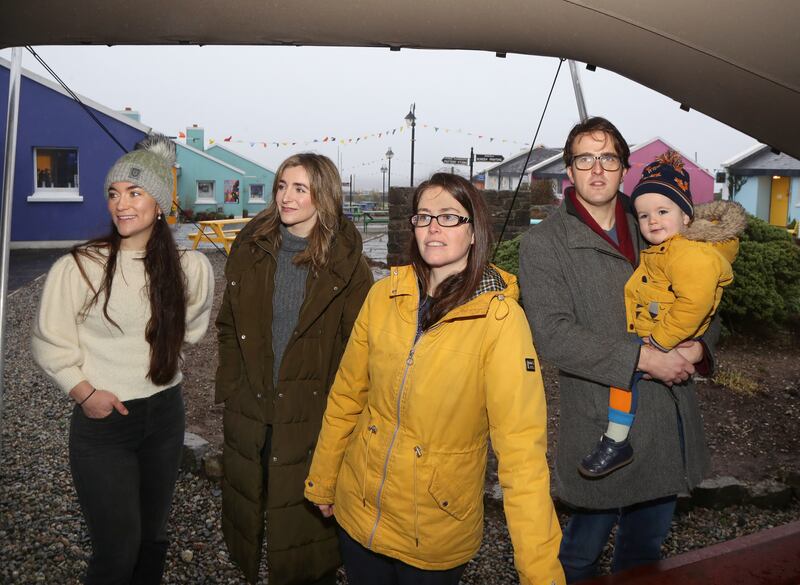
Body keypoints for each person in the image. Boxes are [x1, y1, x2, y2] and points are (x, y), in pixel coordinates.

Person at [304, 173, 565, 585]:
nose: (433, 228)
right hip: (360, 515)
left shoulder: (500, 322)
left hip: (432, 534)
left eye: (448, 217)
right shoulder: (383, 296)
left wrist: (541, 573)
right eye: (423, 217)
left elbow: (521, 455)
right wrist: (322, 480)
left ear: (474, 231)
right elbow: (347, 396)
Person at [518, 117, 718, 583]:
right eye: (584, 159)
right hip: (602, 425)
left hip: (665, 418)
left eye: (607, 157)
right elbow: (552, 333)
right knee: (580, 555)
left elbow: (707, 296)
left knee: (645, 552)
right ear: (569, 170)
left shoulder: (655, 217)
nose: (597, 169)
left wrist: (696, 351)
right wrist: (647, 358)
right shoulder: (545, 243)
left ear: (624, 167)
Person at [31, 134, 214, 585]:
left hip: (166, 414)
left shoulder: (191, 268)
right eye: (114, 193)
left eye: (135, 192)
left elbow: (189, 333)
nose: (121, 204)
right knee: (117, 550)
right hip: (103, 423)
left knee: (152, 540)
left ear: (161, 204)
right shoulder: (78, 266)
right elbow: (47, 341)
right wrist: (84, 392)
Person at [215, 153, 373, 585]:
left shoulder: (348, 266)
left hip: (312, 414)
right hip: (252, 406)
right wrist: (232, 383)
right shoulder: (252, 248)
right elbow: (228, 324)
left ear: (324, 195)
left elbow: (357, 353)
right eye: (282, 186)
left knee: (306, 539)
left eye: (300, 188)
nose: (286, 197)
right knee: (250, 513)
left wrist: (343, 418)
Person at [580, 151, 747, 478]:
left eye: (662, 211)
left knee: (624, 373)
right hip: (668, 336)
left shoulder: (689, 255)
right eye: (643, 216)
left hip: (668, 337)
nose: (652, 221)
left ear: (686, 217)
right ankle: (617, 439)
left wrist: (658, 342)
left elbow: (693, 305)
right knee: (626, 375)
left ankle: (616, 441)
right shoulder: (667, 250)